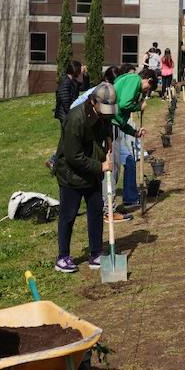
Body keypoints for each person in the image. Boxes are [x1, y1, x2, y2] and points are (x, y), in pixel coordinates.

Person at [51, 82, 116, 272]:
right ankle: (63, 257)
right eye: (103, 108)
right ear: (93, 101)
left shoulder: (102, 114)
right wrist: (100, 166)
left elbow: (107, 123)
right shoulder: (75, 118)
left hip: (92, 173)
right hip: (71, 174)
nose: (106, 112)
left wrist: (109, 138)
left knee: (96, 212)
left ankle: (96, 254)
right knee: (68, 215)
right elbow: (73, 156)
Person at [110, 69, 153, 214]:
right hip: (110, 127)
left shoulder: (130, 81)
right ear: (148, 80)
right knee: (112, 169)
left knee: (124, 162)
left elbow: (122, 119)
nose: (147, 91)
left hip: (115, 126)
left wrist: (134, 132)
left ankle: (120, 202)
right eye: (149, 87)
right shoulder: (134, 79)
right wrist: (138, 106)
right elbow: (124, 105)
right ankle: (108, 208)